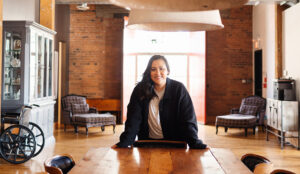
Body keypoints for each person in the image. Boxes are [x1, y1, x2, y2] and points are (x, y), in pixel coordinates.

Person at [114, 55, 207, 149]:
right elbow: (133, 119)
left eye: (161, 69)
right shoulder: (140, 90)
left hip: (174, 143)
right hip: (146, 143)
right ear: (149, 72)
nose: (157, 73)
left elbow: (188, 119)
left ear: (168, 71)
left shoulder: (179, 89)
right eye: (153, 69)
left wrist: (194, 142)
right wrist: (124, 143)